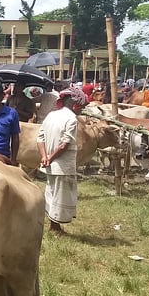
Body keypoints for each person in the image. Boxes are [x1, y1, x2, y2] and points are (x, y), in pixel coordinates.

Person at [36, 88, 87, 235]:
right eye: (81, 107)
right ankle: (55, 228)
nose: (81, 110)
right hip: (62, 164)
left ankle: (51, 225)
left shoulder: (51, 115)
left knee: (51, 191)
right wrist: (51, 157)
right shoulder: (71, 119)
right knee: (60, 195)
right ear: (75, 105)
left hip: (49, 163)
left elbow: (40, 137)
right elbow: (64, 144)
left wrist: (45, 156)